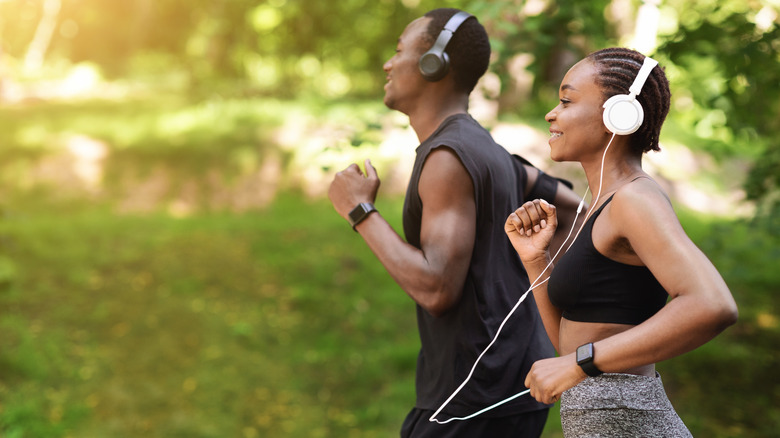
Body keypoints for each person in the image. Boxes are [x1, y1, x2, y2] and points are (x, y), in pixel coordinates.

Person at [328, 8, 584, 438]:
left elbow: (437, 288)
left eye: (399, 51)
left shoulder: (448, 157)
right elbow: (575, 211)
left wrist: (360, 212)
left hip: (471, 398)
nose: (388, 65)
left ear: (435, 62)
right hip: (514, 382)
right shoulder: (490, 151)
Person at [504, 47, 739, 437]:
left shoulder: (635, 200)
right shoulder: (600, 205)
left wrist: (579, 364)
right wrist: (535, 259)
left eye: (566, 100)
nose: (551, 113)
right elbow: (570, 348)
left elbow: (713, 304)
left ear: (619, 114)